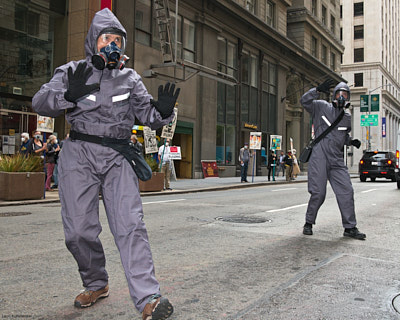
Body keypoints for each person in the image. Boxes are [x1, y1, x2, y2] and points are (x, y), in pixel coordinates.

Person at [32, 8, 179, 319]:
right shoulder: (72, 71)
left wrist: (163, 112)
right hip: (78, 154)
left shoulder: (130, 78)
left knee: (130, 226)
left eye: (117, 40)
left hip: (117, 155)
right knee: (78, 232)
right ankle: (96, 282)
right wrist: (67, 96)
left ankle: (148, 299)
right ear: (93, 41)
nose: (111, 45)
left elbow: (149, 116)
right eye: (105, 38)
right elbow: (39, 102)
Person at [300, 79, 365, 240]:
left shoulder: (346, 117)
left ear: (348, 97)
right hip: (319, 156)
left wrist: (351, 141)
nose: (342, 97)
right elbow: (304, 101)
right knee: (318, 193)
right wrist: (316, 90)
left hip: (336, 159)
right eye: (339, 93)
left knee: (347, 191)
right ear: (334, 95)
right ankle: (308, 222)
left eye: (345, 94)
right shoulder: (321, 106)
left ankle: (350, 227)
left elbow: (342, 137)